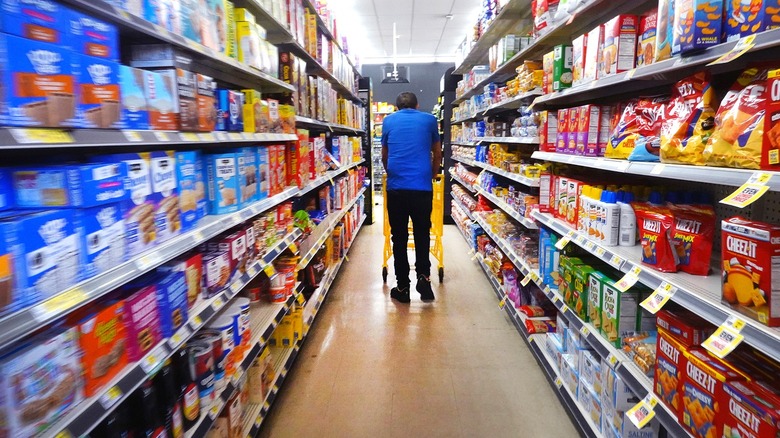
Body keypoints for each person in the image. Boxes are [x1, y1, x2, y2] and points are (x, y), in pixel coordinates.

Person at [381, 92, 442, 303]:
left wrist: (392, 173)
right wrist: (432, 174)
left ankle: (402, 287)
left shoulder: (388, 121)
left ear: (397, 107)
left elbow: (384, 155)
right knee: (422, 234)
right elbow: (437, 151)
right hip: (422, 188)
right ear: (417, 105)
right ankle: (424, 278)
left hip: (397, 187)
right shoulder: (429, 119)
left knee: (399, 238)